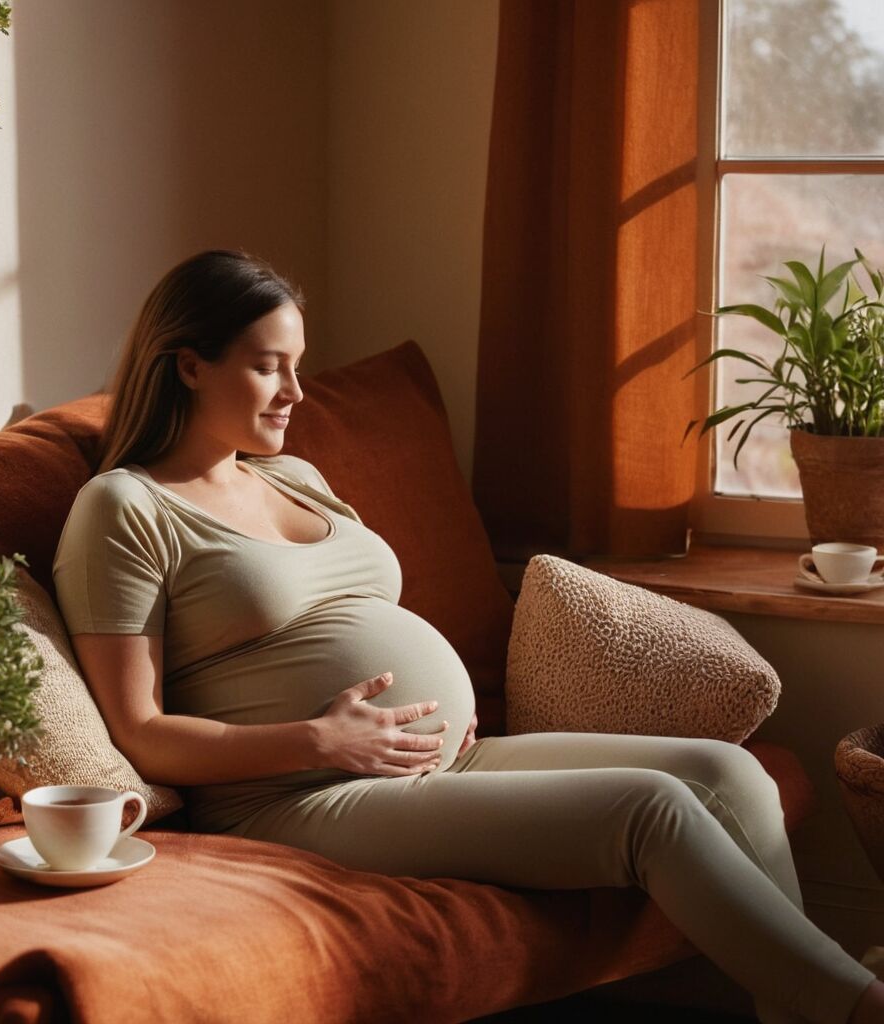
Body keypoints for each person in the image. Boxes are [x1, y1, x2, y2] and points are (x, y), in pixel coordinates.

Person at [53, 249, 884, 1024]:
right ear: (189, 364)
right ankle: (854, 1007)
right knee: (652, 810)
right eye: (269, 365)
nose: (295, 392)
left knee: (726, 768)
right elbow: (142, 733)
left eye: (298, 365)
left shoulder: (291, 474)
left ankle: (799, 1007)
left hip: (429, 756)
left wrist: (435, 702)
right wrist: (318, 737)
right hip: (295, 798)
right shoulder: (125, 509)